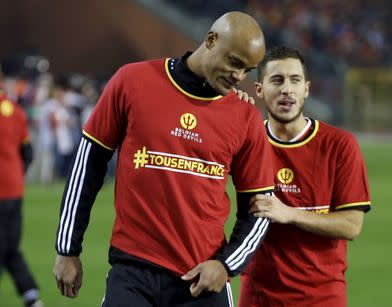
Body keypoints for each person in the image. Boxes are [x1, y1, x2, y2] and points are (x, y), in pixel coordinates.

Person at [53, 11, 274, 307]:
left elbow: (260, 207)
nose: (239, 76)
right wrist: (68, 248)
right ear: (211, 40)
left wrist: (226, 265)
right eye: (234, 62)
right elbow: (87, 166)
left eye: (248, 69)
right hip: (132, 275)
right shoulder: (132, 81)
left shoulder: (244, 116)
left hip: (202, 281)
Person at [238, 46, 371, 307]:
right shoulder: (246, 140)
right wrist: (229, 114)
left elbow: (352, 225)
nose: (287, 88)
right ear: (259, 89)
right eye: (277, 80)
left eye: (295, 80)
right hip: (258, 295)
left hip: (321, 296)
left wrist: (290, 213)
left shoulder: (339, 145)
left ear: (306, 89)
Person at [0, 87, 43, 307]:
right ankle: (30, 293)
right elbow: (28, 151)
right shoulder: (15, 111)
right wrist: (16, 174)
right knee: (10, 246)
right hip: (14, 189)